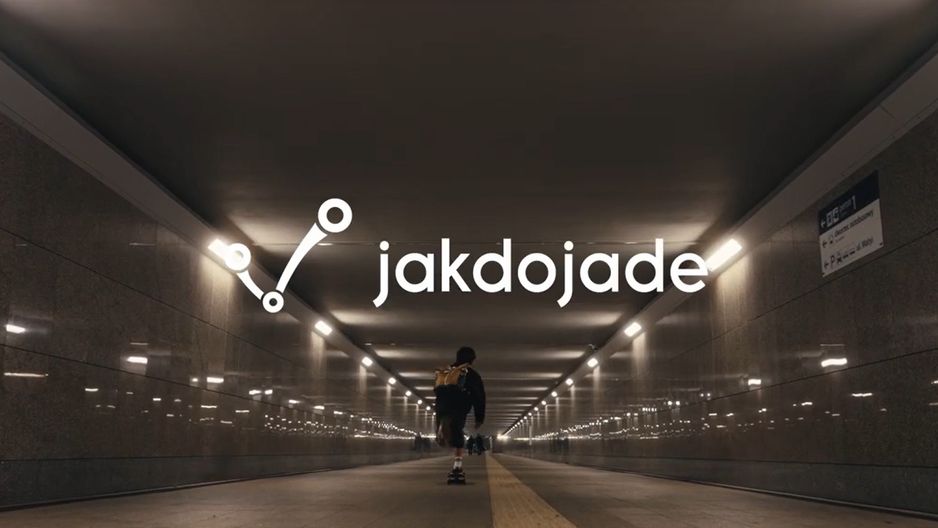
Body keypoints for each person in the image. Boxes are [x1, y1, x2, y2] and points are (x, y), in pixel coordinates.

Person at [434, 346, 485, 484]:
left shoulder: (446, 371)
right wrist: (479, 417)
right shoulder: (471, 374)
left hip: (441, 406)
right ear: (472, 359)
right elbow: (479, 397)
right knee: (457, 435)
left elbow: (437, 390)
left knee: (450, 432)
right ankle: (457, 466)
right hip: (459, 406)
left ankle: (442, 431)